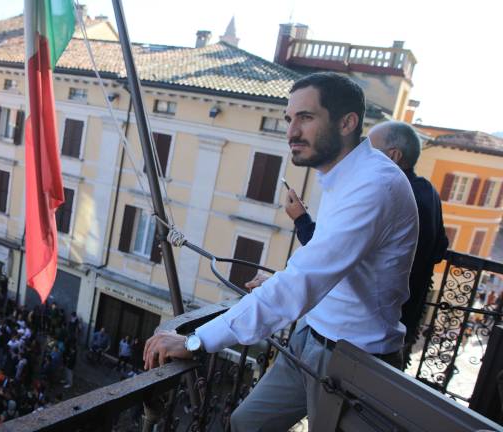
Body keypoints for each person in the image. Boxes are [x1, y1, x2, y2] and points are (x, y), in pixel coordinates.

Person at [143, 72, 419, 431]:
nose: (291, 132)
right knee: (245, 424)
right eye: (289, 119)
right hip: (310, 334)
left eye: (305, 117)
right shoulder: (343, 175)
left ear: (347, 122)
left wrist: (198, 341)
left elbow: (304, 279)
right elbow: (331, 259)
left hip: (354, 359)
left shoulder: (374, 186)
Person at [286, 120, 448, 365]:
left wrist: (300, 219)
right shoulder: (428, 191)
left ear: (393, 155)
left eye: (369, 148)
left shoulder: (384, 195)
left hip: (361, 336)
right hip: (403, 321)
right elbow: (439, 250)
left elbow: (332, 256)